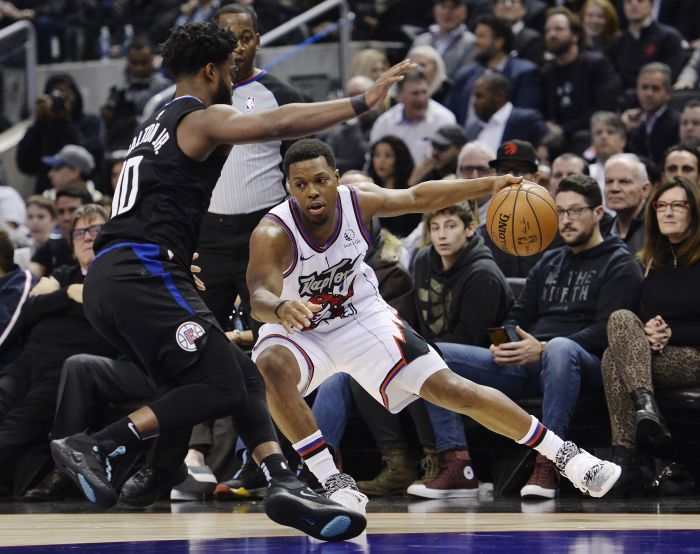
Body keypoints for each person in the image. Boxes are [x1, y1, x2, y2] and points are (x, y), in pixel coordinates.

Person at [49, 21, 413, 542]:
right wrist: (360, 104)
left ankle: (282, 481)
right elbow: (275, 123)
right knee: (222, 381)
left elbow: (149, 202)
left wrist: (175, 255)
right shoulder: (198, 116)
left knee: (239, 375)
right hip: (141, 270)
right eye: (229, 72)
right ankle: (100, 445)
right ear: (211, 71)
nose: (232, 84)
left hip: (122, 277)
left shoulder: (151, 122)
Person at [246, 138, 623, 516]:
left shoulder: (356, 201)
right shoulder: (272, 232)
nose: (312, 191)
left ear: (337, 178)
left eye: (321, 180)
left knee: (453, 389)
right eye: (301, 184)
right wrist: (279, 306)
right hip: (300, 323)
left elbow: (418, 197)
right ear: (288, 187)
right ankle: (334, 483)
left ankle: (567, 457)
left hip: (361, 317)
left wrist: (488, 185)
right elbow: (258, 295)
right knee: (271, 364)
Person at [405, 173, 642, 500]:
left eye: (575, 211)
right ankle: (458, 463)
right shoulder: (550, 260)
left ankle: (550, 463)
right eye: (560, 212)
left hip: (583, 365)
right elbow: (518, 313)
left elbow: (607, 330)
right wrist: (506, 344)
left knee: (561, 348)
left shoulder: (621, 262)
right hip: (527, 361)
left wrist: (542, 348)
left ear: (599, 213)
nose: (566, 220)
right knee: (429, 352)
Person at [0, 205, 118, 489]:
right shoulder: (64, 274)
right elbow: (29, 311)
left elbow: (105, 314)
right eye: (79, 232)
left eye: (95, 229)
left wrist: (64, 297)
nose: (87, 237)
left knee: (18, 424)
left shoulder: (115, 276)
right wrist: (67, 294)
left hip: (65, 366)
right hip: (28, 359)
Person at [601, 176, 700, 491]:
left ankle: (624, 459)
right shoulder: (646, 263)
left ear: (694, 211)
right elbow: (634, 321)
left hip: (694, 356)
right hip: (655, 356)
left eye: (678, 205)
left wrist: (671, 334)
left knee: (612, 360)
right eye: (661, 206)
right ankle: (644, 407)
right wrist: (646, 333)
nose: (668, 212)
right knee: (619, 321)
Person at [540, 7, 621, 140]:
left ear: (575, 36)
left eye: (559, 29)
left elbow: (603, 108)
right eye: (548, 30)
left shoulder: (596, 64)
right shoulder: (546, 72)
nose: (552, 35)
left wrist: (564, 129)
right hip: (557, 138)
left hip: (589, 134)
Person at [446, 15, 541, 126]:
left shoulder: (523, 73)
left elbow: (524, 120)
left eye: (481, 36)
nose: (475, 41)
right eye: (476, 35)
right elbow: (450, 112)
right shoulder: (466, 74)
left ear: (498, 42)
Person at [16, 74, 102, 194]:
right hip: (47, 192)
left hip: (81, 191)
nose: (61, 100)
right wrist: (39, 123)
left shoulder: (90, 122)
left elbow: (88, 158)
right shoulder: (42, 125)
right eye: (56, 95)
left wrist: (67, 124)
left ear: (76, 94)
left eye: (65, 94)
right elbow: (25, 165)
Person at [370, 68, 456, 166]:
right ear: (399, 96)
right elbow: (373, 161)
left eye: (424, 92)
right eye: (415, 94)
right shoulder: (384, 123)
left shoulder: (444, 119)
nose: (421, 98)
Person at [607, 0, 683, 94]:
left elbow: (669, 77)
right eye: (629, 2)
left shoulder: (668, 37)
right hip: (621, 98)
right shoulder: (618, 42)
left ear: (651, 6)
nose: (634, 4)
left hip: (653, 97)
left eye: (640, 1)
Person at [465, 73, 547, 153]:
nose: (474, 103)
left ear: (500, 96)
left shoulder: (527, 122)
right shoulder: (473, 128)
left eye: (479, 96)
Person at [622, 63, 680, 166]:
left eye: (655, 88)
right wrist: (623, 130)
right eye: (644, 87)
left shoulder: (677, 122)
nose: (649, 94)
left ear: (669, 93)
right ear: (637, 90)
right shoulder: (631, 121)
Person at [30, 188, 93, 278]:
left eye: (72, 210)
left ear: (90, 212)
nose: (66, 218)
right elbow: (31, 277)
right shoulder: (51, 247)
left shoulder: (101, 248)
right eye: (61, 212)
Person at [367, 136, 421, 238]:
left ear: (399, 159)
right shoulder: (369, 186)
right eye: (377, 155)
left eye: (388, 156)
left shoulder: (411, 187)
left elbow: (411, 224)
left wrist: (410, 186)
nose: (381, 161)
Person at [409, 0, 475, 79]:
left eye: (453, 7)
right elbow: (405, 73)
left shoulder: (472, 43)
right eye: (443, 6)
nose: (447, 12)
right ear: (435, 9)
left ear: (465, 10)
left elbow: (464, 81)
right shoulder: (422, 40)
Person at [602, 153, 651, 254]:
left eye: (624, 182)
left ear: (645, 189)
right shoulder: (600, 230)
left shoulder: (658, 228)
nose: (614, 188)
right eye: (609, 181)